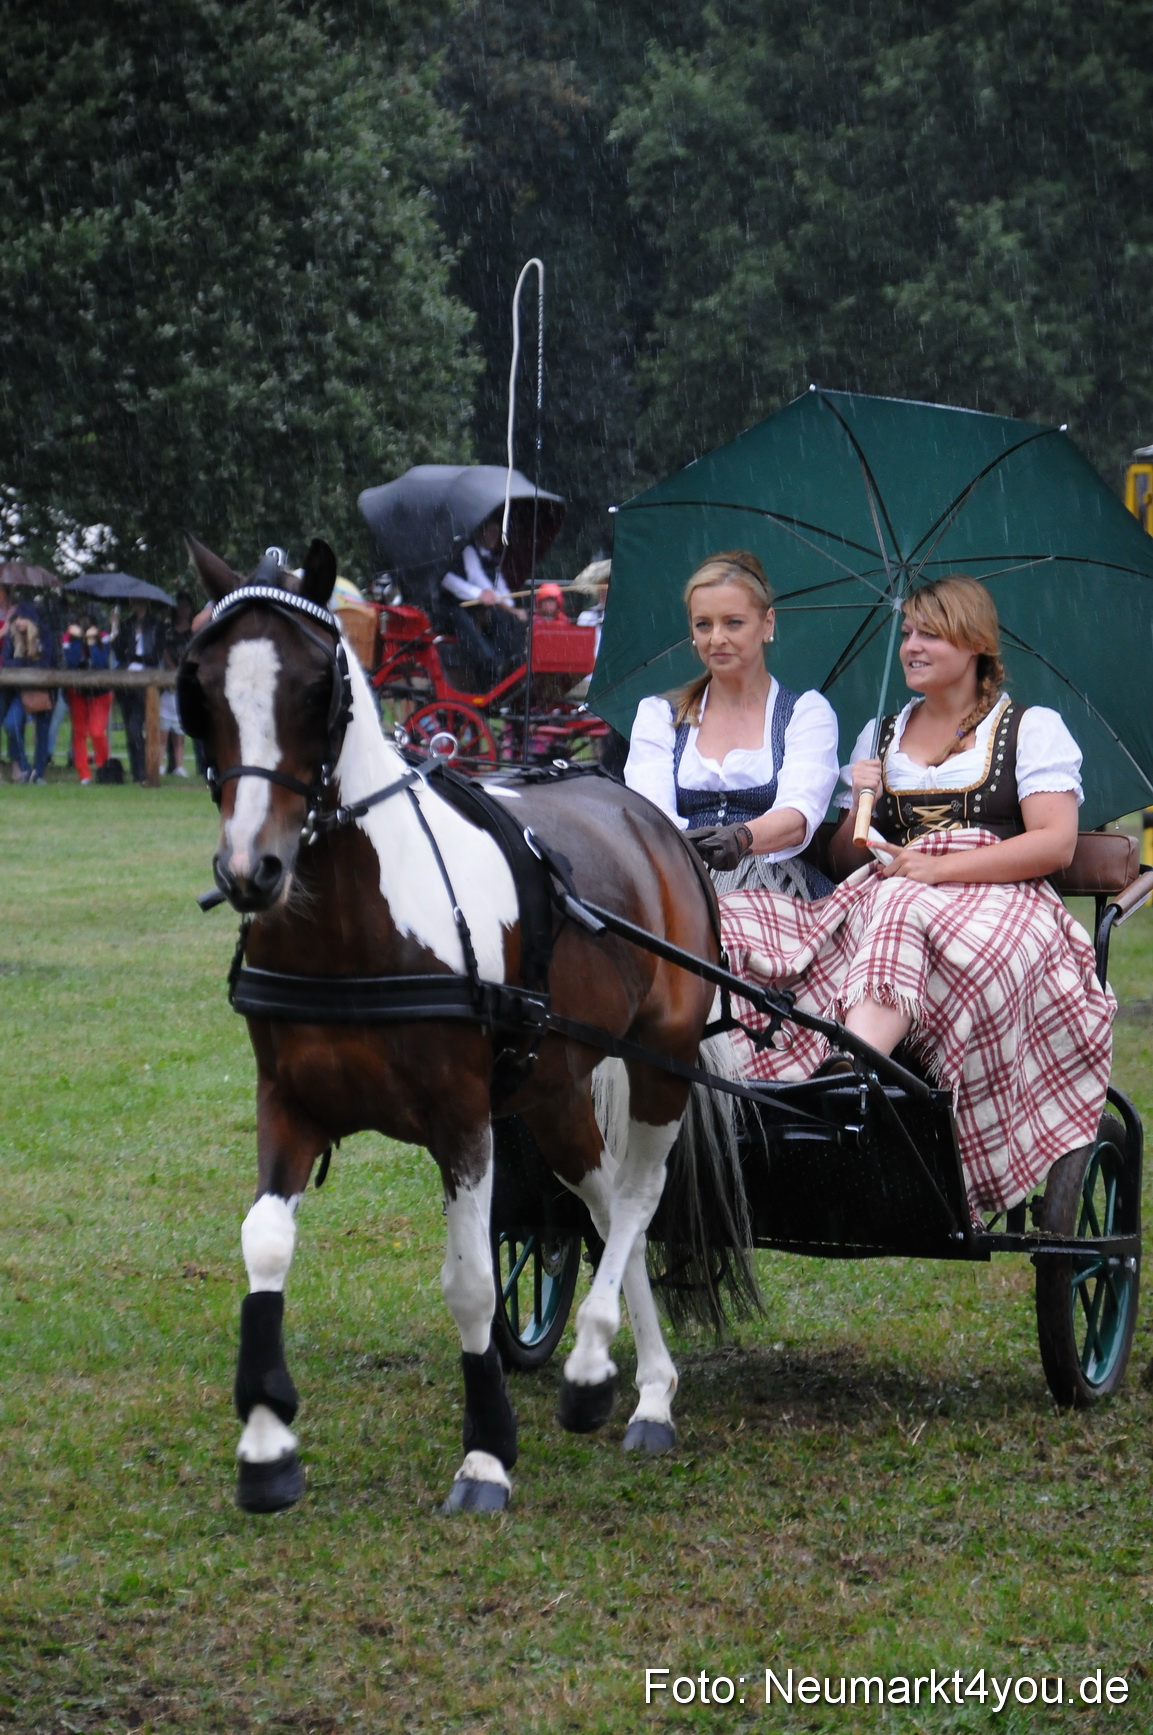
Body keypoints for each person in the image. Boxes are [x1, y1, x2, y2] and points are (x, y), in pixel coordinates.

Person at [719, 574, 1114, 1217]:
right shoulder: (879, 734)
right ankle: (730, 1077)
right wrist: (862, 800)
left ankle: (851, 1077)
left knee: (902, 903)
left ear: (975, 643)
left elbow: (1054, 846)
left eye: (930, 633)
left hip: (1000, 903)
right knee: (738, 917)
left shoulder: (1028, 729)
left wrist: (936, 872)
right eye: (907, 633)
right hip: (887, 898)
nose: (911, 646)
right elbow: (849, 857)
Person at [623, 549, 840, 896]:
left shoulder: (805, 714)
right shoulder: (661, 716)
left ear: (767, 623)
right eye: (703, 624)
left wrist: (742, 838)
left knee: (736, 932)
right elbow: (652, 815)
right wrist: (696, 860)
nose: (716, 638)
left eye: (733, 622)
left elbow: (798, 815)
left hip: (770, 882)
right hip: (680, 876)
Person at [440, 512, 525, 689]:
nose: (495, 537)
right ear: (481, 531)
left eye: (498, 532)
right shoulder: (468, 551)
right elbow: (478, 582)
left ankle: (508, 662)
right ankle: (490, 666)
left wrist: (512, 609)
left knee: (508, 619)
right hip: (451, 606)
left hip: (477, 606)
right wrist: (491, 600)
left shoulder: (491, 560)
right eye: (491, 531)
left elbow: (501, 590)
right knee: (490, 623)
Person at [112, 597, 166, 783]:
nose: (136, 605)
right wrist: (115, 629)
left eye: (139, 602)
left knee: (136, 727)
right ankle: (137, 772)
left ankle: (143, 771)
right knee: (130, 728)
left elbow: (154, 656)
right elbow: (119, 652)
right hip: (126, 680)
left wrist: (134, 656)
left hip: (146, 680)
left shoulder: (157, 625)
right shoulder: (127, 625)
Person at [2, 597, 56, 782]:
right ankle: (24, 767)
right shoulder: (13, 636)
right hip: (21, 692)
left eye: (22, 618)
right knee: (11, 724)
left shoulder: (45, 636)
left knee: (42, 733)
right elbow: (7, 662)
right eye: (16, 618)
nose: (18, 622)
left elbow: (46, 662)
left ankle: (39, 773)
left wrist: (24, 663)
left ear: (31, 619)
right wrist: (27, 661)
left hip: (45, 692)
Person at [62, 614, 112, 784]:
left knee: (97, 732)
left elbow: (100, 662)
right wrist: (77, 639)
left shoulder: (103, 636)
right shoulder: (68, 636)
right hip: (77, 690)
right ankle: (84, 773)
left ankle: (104, 768)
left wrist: (91, 641)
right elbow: (73, 661)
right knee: (80, 732)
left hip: (101, 690)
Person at [160, 591, 195, 775]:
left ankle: (179, 766)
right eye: (179, 606)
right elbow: (164, 651)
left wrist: (183, 668)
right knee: (163, 731)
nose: (182, 610)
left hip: (186, 682)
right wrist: (173, 668)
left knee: (179, 733)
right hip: (168, 683)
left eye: (186, 606)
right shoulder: (169, 631)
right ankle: (160, 764)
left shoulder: (194, 631)